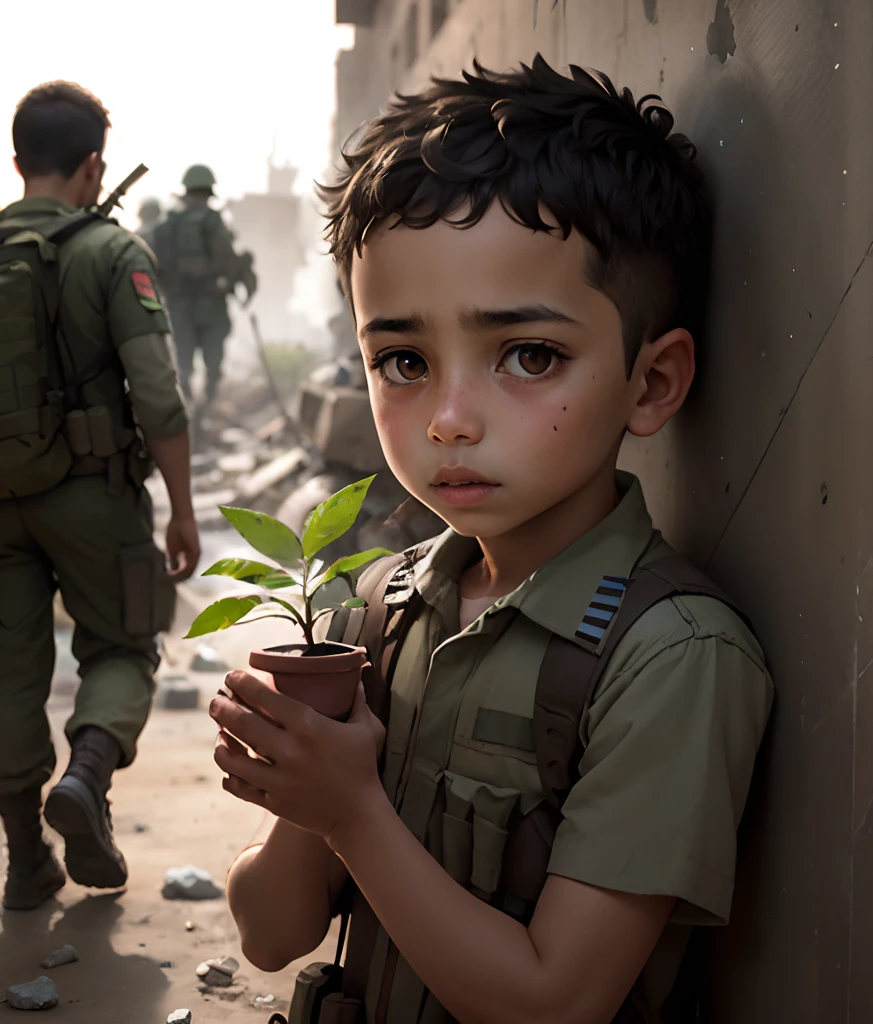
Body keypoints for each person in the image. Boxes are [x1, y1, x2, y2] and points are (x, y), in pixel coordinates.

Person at [211, 57, 773, 1022]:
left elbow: (555, 1004)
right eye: (403, 361)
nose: (450, 419)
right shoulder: (378, 610)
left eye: (529, 355)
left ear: (652, 384)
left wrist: (351, 809)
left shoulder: (672, 658)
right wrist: (306, 787)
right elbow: (270, 934)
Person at [0, 81, 200, 911]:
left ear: (15, 161)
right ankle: (87, 775)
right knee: (122, 645)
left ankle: (25, 861)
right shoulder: (112, 251)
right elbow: (159, 394)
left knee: (10, 671)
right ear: (94, 164)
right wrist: (180, 510)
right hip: (93, 496)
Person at [151, 165, 256, 406]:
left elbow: (156, 265)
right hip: (212, 303)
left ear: (186, 191)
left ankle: (186, 401)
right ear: (209, 192)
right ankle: (207, 401)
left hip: (179, 303)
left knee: (183, 357)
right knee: (213, 356)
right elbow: (228, 260)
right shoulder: (214, 221)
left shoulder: (169, 224)